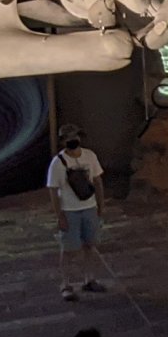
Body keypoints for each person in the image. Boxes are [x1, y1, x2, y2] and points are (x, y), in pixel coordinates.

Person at [48, 128, 110, 300]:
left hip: (89, 208)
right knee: (68, 249)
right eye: (68, 138)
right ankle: (65, 284)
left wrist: (100, 206)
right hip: (69, 211)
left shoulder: (89, 156)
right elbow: (53, 190)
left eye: (74, 137)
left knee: (90, 245)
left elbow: (98, 181)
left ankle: (89, 279)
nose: (72, 140)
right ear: (62, 141)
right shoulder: (58, 163)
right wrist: (59, 215)